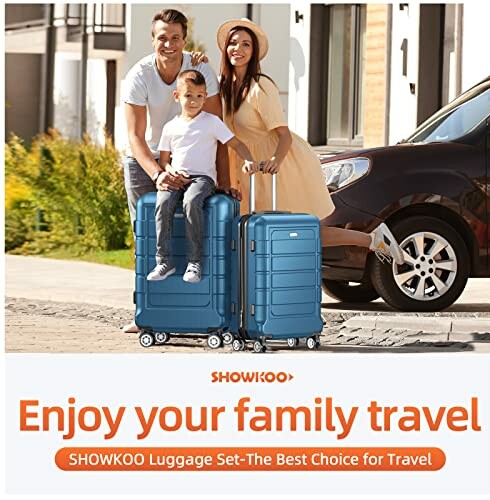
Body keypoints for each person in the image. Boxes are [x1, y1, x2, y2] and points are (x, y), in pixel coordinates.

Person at [216, 18, 404, 265]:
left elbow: (282, 133)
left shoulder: (260, 86)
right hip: (245, 168)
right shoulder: (223, 86)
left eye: (246, 45)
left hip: (277, 167)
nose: (237, 49)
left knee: (295, 232)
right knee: (248, 232)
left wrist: (275, 161)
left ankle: (371, 240)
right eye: (233, 43)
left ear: (254, 52)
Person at [121, 8, 237, 333]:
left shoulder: (200, 70)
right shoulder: (139, 75)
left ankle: (192, 307)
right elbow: (134, 135)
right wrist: (159, 173)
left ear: (184, 40)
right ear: (152, 39)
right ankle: (145, 312)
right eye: (162, 38)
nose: (168, 44)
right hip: (145, 160)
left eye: (175, 38)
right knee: (144, 231)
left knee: (191, 217)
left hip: (194, 165)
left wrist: (224, 181)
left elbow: (217, 132)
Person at [147, 70, 256, 283]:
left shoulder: (212, 122)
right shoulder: (171, 127)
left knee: (192, 201)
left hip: (202, 179)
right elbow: (164, 161)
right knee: (162, 203)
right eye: (188, 95)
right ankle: (164, 261)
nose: (194, 101)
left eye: (199, 96)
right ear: (177, 97)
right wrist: (170, 172)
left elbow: (236, 144)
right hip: (177, 178)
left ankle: (194, 262)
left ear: (205, 97)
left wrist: (249, 159)